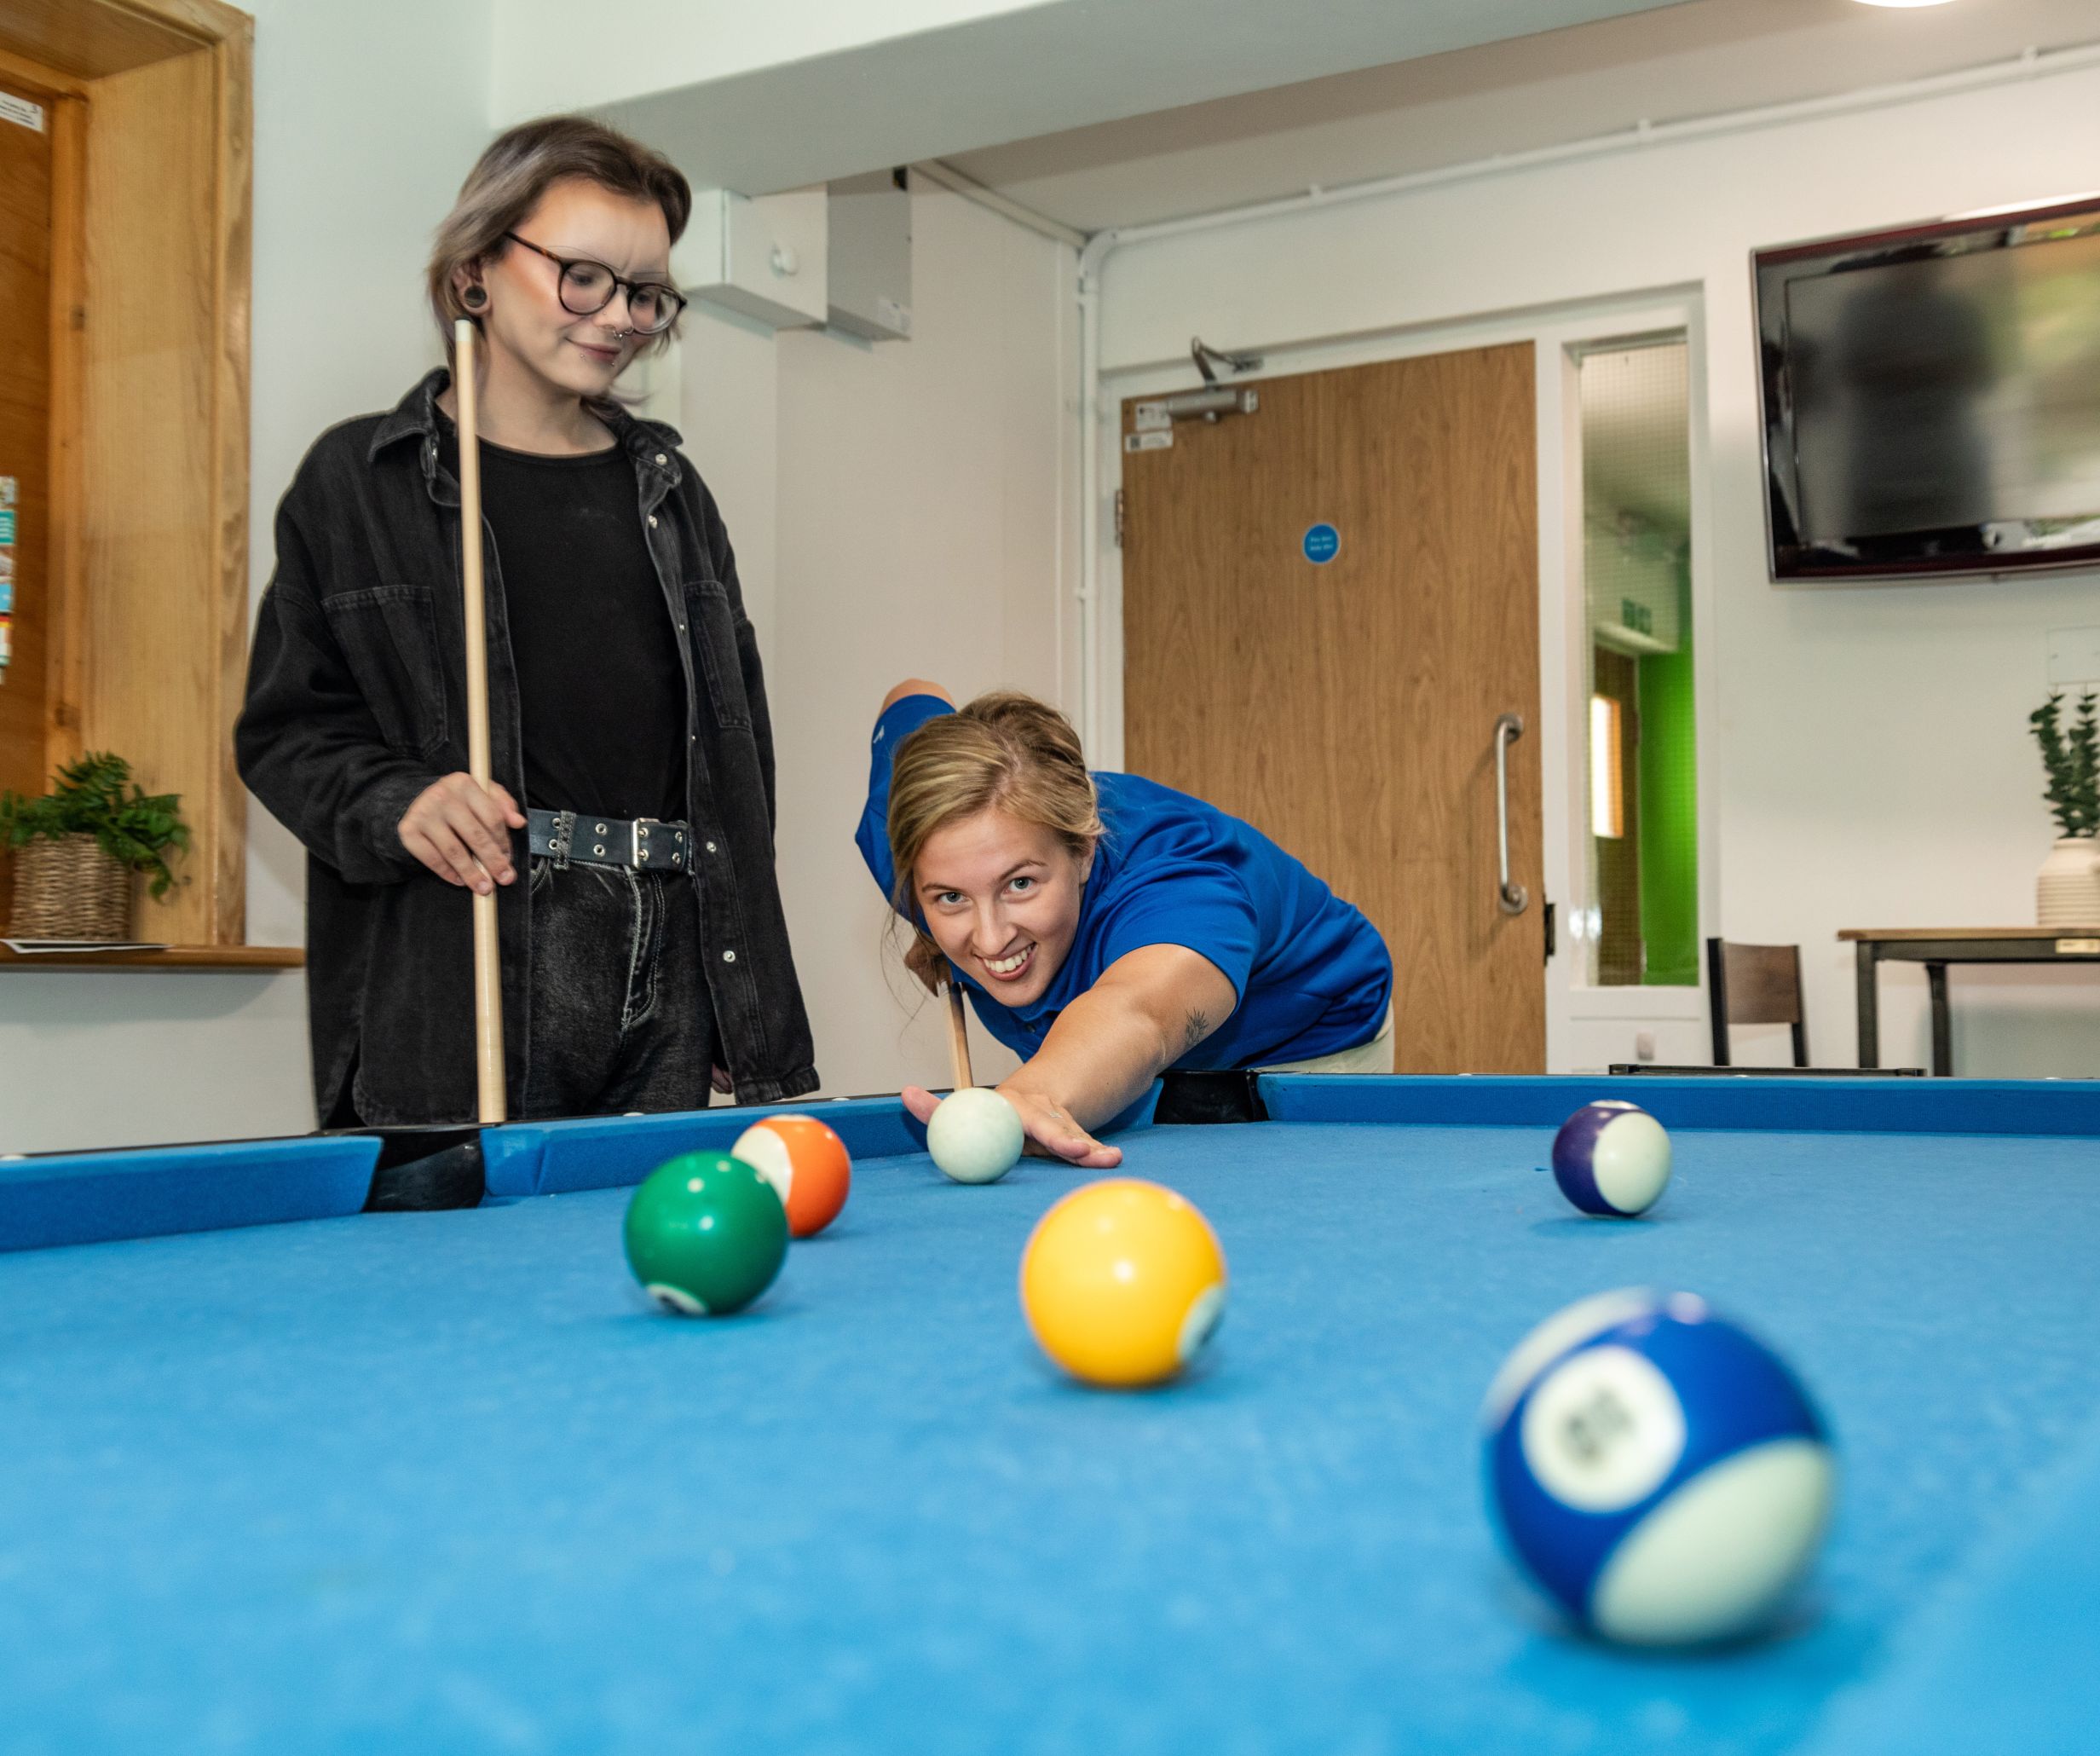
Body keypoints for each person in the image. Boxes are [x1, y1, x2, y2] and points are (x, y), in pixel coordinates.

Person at [238, 116, 817, 1128]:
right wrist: (398, 800)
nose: (620, 317)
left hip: (673, 938)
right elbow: (286, 733)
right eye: (583, 276)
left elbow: (740, 759)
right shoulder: (355, 483)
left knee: (648, 1265)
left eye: (644, 293)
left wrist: (741, 994)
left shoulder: (673, 492)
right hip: (471, 948)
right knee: (454, 1273)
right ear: (475, 268)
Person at [858, 682, 1393, 1166]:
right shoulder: (921, 826)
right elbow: (912, 695)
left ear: (1085, 852)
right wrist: (934, 929)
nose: (992, 937)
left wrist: (1034, 1094)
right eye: (951, 897)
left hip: (1305, 1043)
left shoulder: (1183, 889)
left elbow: (1137, 1015)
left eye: (1019, 884)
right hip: (1097, 1065)